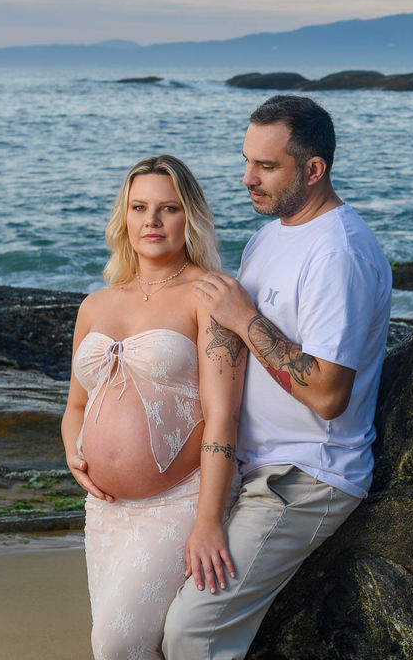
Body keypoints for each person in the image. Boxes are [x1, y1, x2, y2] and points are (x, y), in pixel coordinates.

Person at [162, 95, 392, 659]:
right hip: (245, 464)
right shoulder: (270, 237)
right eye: (247, 161)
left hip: (304, 476)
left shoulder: (339, 255)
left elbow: (328, 393)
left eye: (267, 166)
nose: (247, 179)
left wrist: (245, 318)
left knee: (191, 632)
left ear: (313, 170)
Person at [61, 155, 248, 660]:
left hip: (178, 503)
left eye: (169, 208)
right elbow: (77, 403)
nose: (152, 221)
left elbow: (223, 416)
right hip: (105, 510)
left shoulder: (208, 296)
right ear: (124, 217)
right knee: (127, 647)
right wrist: (72, 455)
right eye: (139, 207)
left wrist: (208, 519)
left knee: (116, 644)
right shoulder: (95, 304)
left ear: (191, 218)